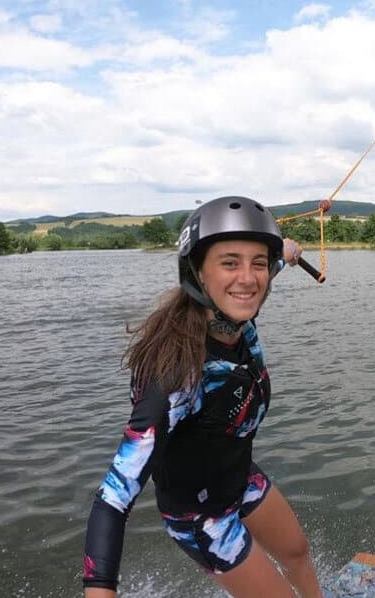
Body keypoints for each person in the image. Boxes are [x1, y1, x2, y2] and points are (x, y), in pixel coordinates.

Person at [82, 196, 323, 598]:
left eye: (257, 263)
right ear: (198, 273)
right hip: (200, 514)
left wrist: (286, 250)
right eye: (229, 262)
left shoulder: (236, 311)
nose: (247, 279)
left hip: (237, 474)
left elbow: (273, 260)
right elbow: (113, 498)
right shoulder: (174, 376)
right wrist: (100, 590)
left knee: (297, 551)